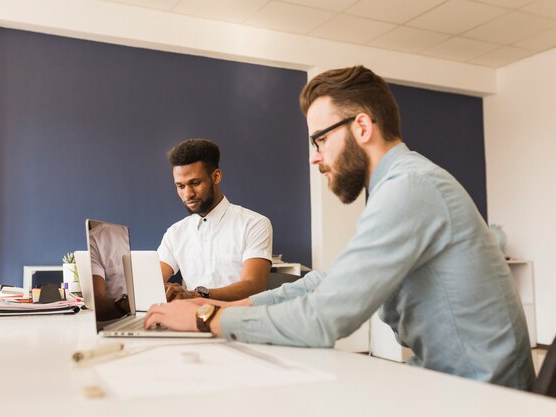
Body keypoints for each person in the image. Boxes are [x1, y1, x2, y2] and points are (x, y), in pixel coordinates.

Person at [145, 66, 536, 390]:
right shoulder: (395, 185)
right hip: (447, 379)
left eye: (320, 140)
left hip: (481, 394)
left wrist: (206, 320)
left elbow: (326, 317)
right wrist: (227, 306)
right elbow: (328, 283)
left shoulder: (410, 188)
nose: (315, 158)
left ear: (362, 126)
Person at [157, 138, 273, 302]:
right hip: (189, 322)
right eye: (180, 186)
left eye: (195, 183)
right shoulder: (175, 233)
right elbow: (153, 282)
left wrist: (197, 295)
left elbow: (253, 285)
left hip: (240, 321)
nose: (188, 194)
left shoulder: (254, 223)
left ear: (216, 176)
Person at [89, 221, 131, 321]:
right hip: (117, 323)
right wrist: (125, 303)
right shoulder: (97, 239)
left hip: (161, 319)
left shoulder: (167, 234)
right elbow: (96, 303)